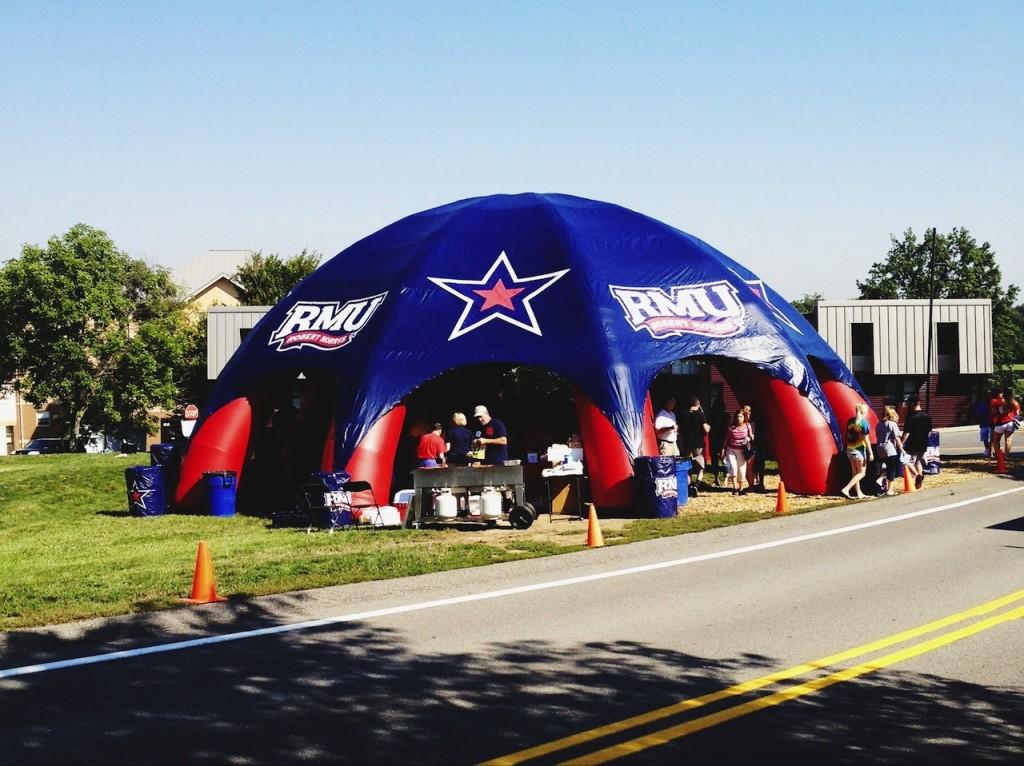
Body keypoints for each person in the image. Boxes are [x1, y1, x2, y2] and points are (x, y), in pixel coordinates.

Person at [679, 396, 710, 495]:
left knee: (686, 467)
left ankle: (688, 487)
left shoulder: (682, 415)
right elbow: (706, 429)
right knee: (701, 466)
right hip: (698, 444)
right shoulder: (700, 415)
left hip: (686, 444)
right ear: (698, 404)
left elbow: (679, 430)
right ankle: (696, 486)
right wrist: (709, 426)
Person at [902, 395, 933, 489]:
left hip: (912, 442)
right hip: (923, 442)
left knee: (907, 462)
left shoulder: (911, 416)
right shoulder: (927, 415)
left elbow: (907, 432)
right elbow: (929, 431)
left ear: (912, 404)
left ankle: (917, 476)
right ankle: (918, 484)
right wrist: (925, 439)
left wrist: (901, 442)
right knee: (918, 462)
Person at [840, 412, 873, 499]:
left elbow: (847, 435)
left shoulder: (850, 421)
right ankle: (846, 489)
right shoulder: (864, 423)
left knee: (855, 473)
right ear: (864, 412)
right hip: (859, 450)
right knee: (862, 473)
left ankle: (859, 493)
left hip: (850, 449)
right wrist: (871, 452)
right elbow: (866, 439)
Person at [721, 409, 753, 496]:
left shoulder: (747, 426)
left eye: (741, 416)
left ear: (744, 418)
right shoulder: (731, 428)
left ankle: (741, 488)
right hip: (731, 450)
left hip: (742, 450)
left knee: (742, 469)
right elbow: (726, 439)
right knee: (733, 467)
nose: (739, 418)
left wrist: (748, 439)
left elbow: (751, 436)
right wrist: (723, 449)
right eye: (737, 416)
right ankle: (734, 487)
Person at [875, 406, 904, 496]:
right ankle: (889, 490)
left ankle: (881, 478)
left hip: (880, 448)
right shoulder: (892, 424)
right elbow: (897, 438)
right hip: (890, 449)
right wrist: (901, 448)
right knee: (892, 468)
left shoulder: (878, 424)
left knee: (885, 466)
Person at [993, 386, 1021, 457]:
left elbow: (994, 411)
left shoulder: (998, 401)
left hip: (1000, 422)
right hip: (1010, 422)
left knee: (996, 440)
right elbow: (1017, 413)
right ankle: (1006, 456)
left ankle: (998, 455)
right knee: (1008, 440)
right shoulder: (1014, 402)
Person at [708, 397, 729, 486]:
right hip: (718, 438)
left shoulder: (713, 416)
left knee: (722, 459)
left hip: (718, 438)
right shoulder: (724, 416)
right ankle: (720, 477)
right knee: (720, 460)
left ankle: (724, 477)